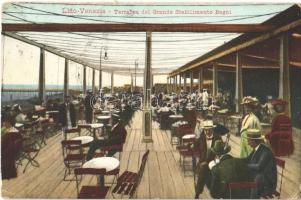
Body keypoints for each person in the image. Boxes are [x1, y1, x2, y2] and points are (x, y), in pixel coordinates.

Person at [245, 129, 277, 198]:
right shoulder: (257, 148)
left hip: (267, 183)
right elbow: (247, 159)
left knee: (256, 179)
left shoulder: (266, 151)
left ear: (253, 141)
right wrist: (236, 161)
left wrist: (245, 166)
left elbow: (259, 167)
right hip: (261, 177)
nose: (247, 143)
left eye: (248, 140)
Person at [194, 120, 222, 199]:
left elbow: (220, 149)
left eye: (209, 130)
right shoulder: (202, 137)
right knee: (203, 170)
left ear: (212, 129)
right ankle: (198, 192)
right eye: (205, 130)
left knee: (206, 170)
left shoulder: (217, 137)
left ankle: (214, 193)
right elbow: (195, 146)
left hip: (214, 160)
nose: (207, 131)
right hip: (203, 161)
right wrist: (192, 146)